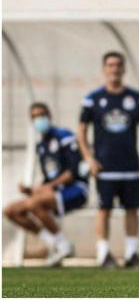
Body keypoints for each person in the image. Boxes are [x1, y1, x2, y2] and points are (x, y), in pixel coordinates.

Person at [77, 51, 139, 269]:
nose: (114, 69)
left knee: (132, 209)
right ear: (104, 69)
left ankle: (131, 255)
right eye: (110, 65)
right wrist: (88, 158)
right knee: (104, 210)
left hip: (130, 166)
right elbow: (81, 131)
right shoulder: (92, 99)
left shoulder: (136, 98)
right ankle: (103, 255)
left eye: (118, 65)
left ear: (124, 69)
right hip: (104, 167)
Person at [4, 102, 88, 267]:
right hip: (53, 193)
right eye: (34, 117)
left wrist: (47, 188)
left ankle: (62, 245)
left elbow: (73, 172)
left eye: (41, 115)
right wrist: (30, 190)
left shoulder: (64, 136)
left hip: (76, 190)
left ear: (49, 116)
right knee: (11, 211)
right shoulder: (41, 146)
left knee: (35, 203)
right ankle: (58, 245)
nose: (39, 120)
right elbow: (49, 180)